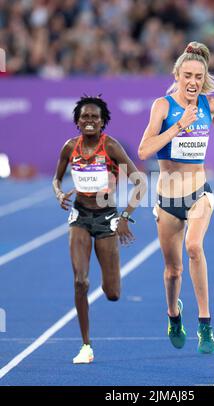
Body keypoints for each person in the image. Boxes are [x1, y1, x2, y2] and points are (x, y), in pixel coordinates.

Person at [138, 42, 214, 354]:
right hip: (168, 201)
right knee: (173, 272)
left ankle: (205, 324)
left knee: (194, 246)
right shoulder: (162, 106)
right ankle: (174, 315)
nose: (193, 82)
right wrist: (178, 127)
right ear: (177, 74)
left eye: (199, 76)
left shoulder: (209, 105)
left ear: (204, 77)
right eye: (187, 75)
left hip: (199, 192)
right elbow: (144, 150)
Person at [53, 95, 145, 364]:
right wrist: (59, 193)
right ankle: (85, 346)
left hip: (107, 219)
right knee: (80, 281)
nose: (90, 121)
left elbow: (140, 183)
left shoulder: (112, 147)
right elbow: (56, 179)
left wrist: (126, 216)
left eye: (95, 117)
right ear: (77, 121)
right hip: (79, 217)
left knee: (112, 293)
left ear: (103, 122)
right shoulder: (69, 148)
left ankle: (111, 283)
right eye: (85, 117)